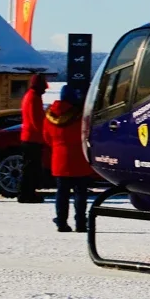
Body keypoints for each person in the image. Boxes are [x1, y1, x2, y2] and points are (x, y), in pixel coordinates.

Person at [44, 91, 96, 233]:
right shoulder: (80, 116)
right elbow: (87, 135)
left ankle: (61, 223)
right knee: (80, 193)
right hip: (78, 158)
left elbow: (47, 138)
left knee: (62, 193)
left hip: (59, 159)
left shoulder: (50, 116)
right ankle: (80, 223)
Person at [16, 75, 48, 204]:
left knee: (29, 167)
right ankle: (26, 194)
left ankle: (26, 192)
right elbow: (37, 120)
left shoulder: (30, 95)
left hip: (29, 137)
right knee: (31, 168)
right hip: (33, 138)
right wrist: (46, 133)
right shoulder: (34, 97)